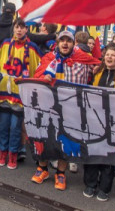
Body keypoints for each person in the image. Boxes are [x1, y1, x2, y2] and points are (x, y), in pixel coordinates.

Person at [32, 30, 99, 190]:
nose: (65, 43)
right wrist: (43, 78)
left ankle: (60, 173)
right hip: (49, 108)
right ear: (58, 42)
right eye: (62, 40)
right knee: (45, 140)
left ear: (73, 43)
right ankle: (42, 169)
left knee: (67, 142)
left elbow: (104, 65)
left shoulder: (83, 59)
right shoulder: (49, 58)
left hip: (72, 110)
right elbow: (36, 76)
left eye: (68, 40)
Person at [85, 45, 115, 201]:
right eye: (107, 55)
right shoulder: (97, 72)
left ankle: (105, 188)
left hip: (114, 121)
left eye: (113, 55)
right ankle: (91, 184)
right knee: (93, 152)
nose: (110, 57)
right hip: (94, 118)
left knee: (109, 156)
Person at [0, 18, 41, 169]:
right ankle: (3, 152)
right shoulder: (6, 43)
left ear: (26, 30)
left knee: (15, 127)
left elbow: (40, 67)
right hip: (4, 91)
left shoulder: (32, 47)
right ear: (13, 28)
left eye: (22, 27)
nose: (19, 30)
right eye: (17, 27)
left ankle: (13, 154)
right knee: (2, 125)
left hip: (20, 94)